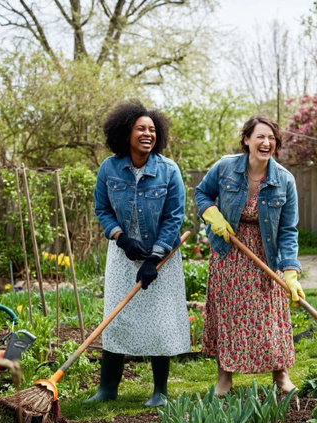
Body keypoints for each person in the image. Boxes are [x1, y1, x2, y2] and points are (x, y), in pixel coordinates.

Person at [194, 114, 305, 395]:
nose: (266, 142)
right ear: (247, 140)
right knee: (229, 315)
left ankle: (280, 374)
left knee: (270, 317)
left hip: (266, 254)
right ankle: (224, 377)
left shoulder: (284, 180)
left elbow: (288, 229)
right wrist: (211, 214)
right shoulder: (225, 167)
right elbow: (201, 194)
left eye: (271, 138)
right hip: (229, 251)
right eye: (260, 137)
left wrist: (290, 271)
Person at [89, 99, 190, 407]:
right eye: (140, 129)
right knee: (116, 317)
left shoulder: (168, 170)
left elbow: (175, 217)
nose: (148, 134)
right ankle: (108, 388)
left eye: (152, 129)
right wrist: (121, 238)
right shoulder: (109, 168)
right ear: (125, 133)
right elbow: (102, 208)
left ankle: (160, 391)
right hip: (122, 255)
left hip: (161, 257)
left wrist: (154, 258)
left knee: (159, 320)